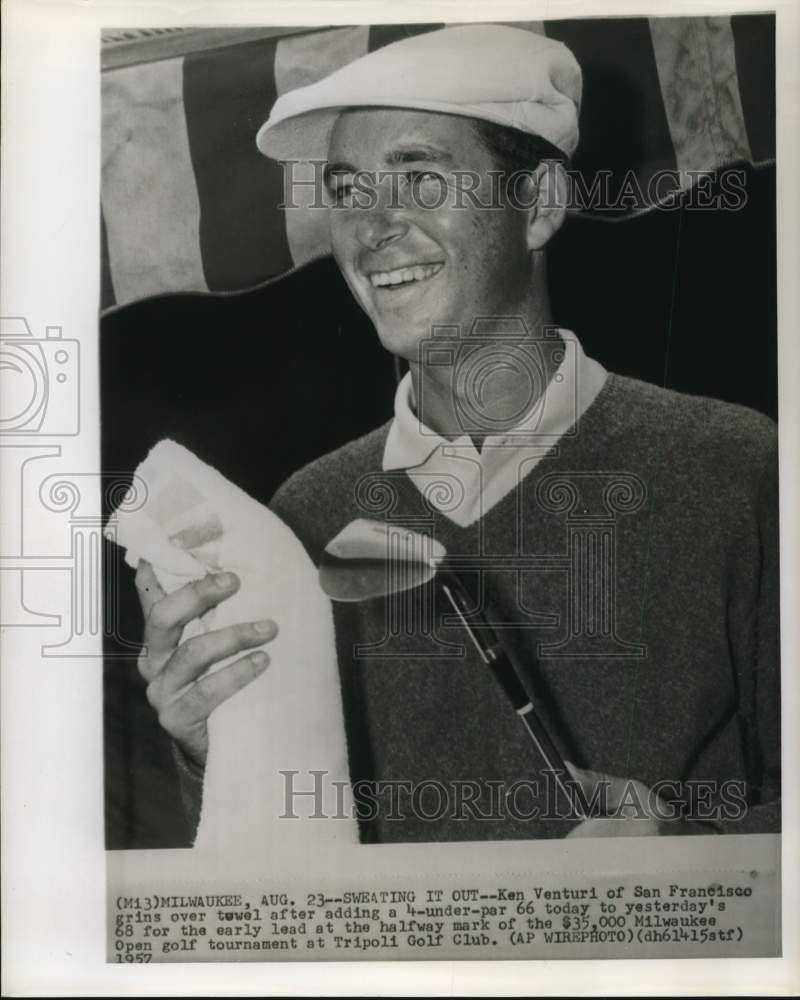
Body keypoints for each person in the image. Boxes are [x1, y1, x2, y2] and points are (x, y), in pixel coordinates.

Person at [134, 25, 780, 842]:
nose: (372, 229)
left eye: (422, 179)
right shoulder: (303, 516)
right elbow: (285, 870)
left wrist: (682, 851)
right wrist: (216, 747)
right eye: (345, 190)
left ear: (540, 206)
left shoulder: (737, 470)